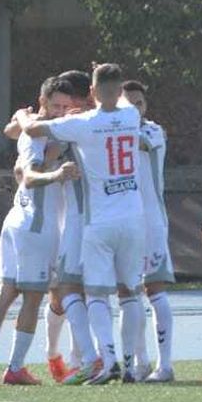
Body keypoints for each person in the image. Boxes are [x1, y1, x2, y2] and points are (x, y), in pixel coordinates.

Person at [18, 63, 145, 385]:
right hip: (134, 217)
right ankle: (131, 365)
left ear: (90, 92)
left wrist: (23, 116)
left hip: (96, 220)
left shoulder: (81, 123)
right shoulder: (131, 116)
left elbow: (30, 132)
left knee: (90, 293)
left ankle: (105, 359)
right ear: (120, 91)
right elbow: (126, 102)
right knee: (130, 292)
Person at [0, 76, 78, 385]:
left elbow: (11, 129)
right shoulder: (43, 136)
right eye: (55, 105)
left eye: (65, 106)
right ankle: (15, 368)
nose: (61, 111)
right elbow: (28, 176)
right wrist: (56, 172)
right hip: (36, 226)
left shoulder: (38, 128)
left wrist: (21, 116)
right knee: (32, 298)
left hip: (17, 220)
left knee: (6, 292)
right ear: (43, 103)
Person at [121, 79, 177, 384]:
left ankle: (165, 364)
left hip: (151, 221)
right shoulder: (112, 129)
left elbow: (137, 143)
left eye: (138, 103)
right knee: (129, 292)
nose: (134, 109)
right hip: (122, 221)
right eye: (127, 103)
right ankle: (140, 362)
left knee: (155, 289)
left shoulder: (153, 131)